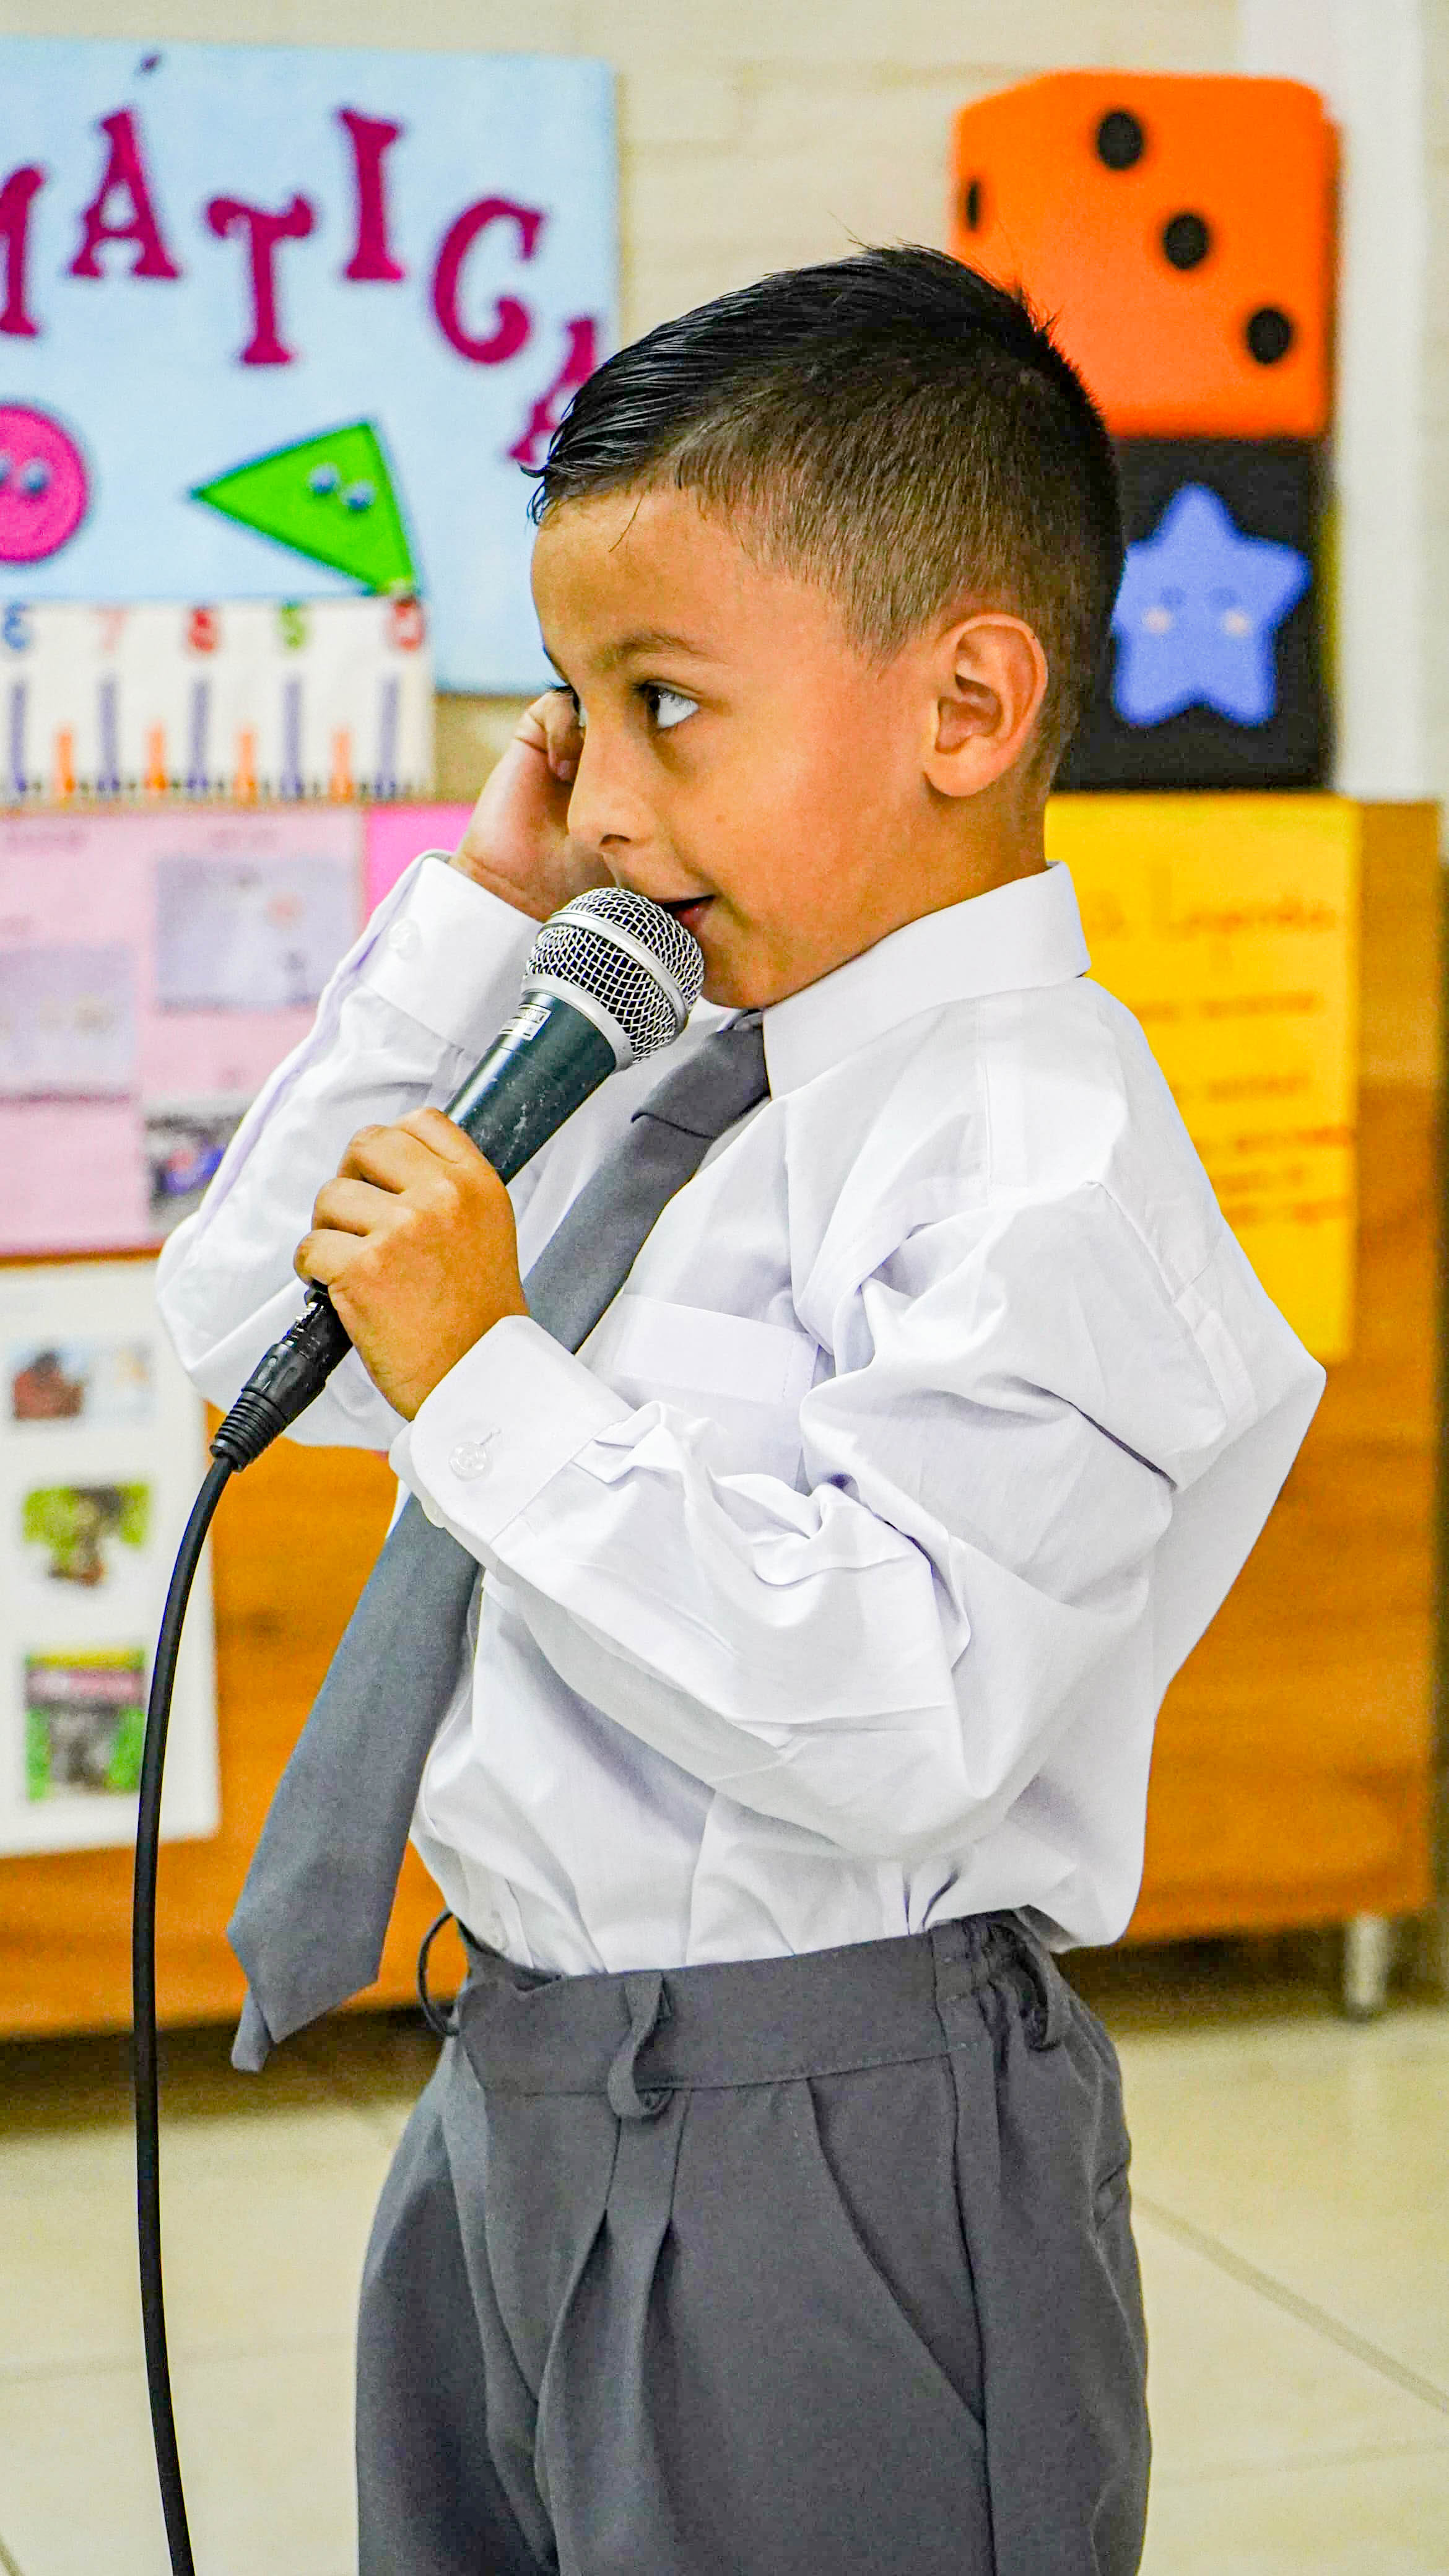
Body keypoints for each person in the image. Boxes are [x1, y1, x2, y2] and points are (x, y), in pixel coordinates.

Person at [158, 248, 1324, 2576]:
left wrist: (488, 1372)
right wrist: (474, 925)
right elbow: (238, 1331)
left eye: (664, 703)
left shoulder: (1040, 1156)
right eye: (568, 714)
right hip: (520, 2074)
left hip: (836, 2126)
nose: (595, 798)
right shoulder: (674, 1072)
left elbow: (888, 1701)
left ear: (966, 703)